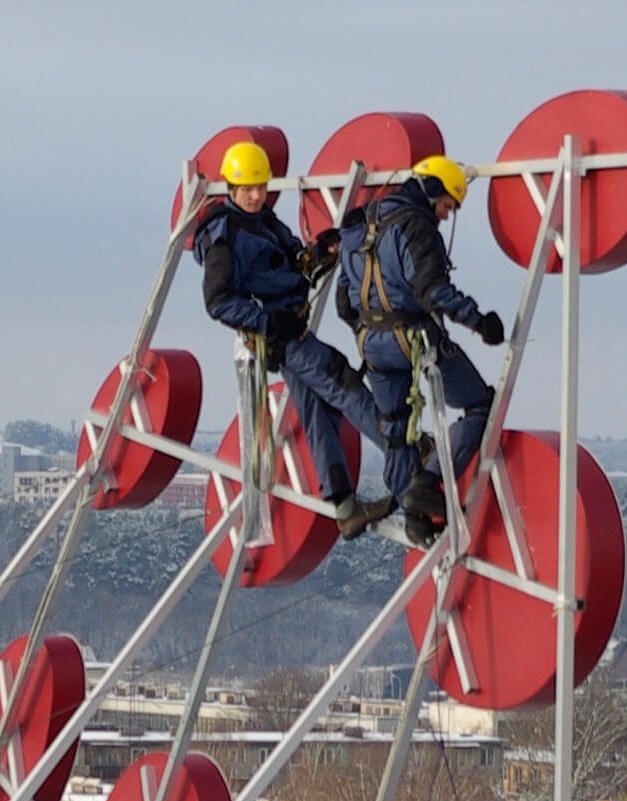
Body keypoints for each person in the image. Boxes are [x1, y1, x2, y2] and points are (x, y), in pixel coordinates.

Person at [193, 141, 393, 540]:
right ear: (231, 188)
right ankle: (407, 458)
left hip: (288, 327)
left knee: (318, 411)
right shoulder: (225, 236)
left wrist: (319, 252)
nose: (255, 196)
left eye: (260, 187)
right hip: (281, 338)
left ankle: (345, 506)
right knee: (342, 382)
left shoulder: (263, 221)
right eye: (247, 189)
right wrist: (269, 321)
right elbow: (217, 302)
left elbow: (290, 264)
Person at [334, 155, 504, 546]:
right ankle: (426, 487)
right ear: (431, 190)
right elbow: (433, 292)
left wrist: (369, 329)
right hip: (414, 340)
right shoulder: (417, 226)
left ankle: (413, 516)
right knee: (480, 406)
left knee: (397, 430)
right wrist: (480, 322)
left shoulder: (358, 226)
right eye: (447, 205)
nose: (445, 215)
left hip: (371, 346)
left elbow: (345, 303)